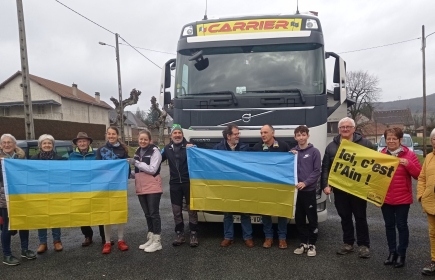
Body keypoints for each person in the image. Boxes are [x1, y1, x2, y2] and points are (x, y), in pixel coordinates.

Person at [321, 117, 373, 258]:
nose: (345, 129)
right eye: (342, 127)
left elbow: (375, 165)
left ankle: (363, 245)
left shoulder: (366, 144)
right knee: (345, 217)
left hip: (358, 190)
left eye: (348, 127)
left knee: (360, 217)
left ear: (354, 129)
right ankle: (348, 243)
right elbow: (326, 167)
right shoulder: (331, 147)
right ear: (339, 129)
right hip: (340, 190)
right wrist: (326, 184)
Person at [379, 127, 421, 268]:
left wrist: (409, 165)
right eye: (388, 139)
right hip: (385, 198)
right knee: (389, 226)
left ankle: (401, 254)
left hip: (402, 198)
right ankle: (392, 252)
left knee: (402, 226)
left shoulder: (409, 155)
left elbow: (418, 175)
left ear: (400, 140)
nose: (391, 141)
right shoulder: (381, 154)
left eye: (394, 138)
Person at [214, 124, 254, 248]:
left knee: (245, 212)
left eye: (238, 133)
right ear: (228, 136)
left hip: (242, 184)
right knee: (227, 213)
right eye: (236, 134)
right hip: (226, 185)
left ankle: (248, 237)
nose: (238, 136)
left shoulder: (244, 147)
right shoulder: (218, 148)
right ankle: (228, 237)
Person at [252, 124, 290, 249]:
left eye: (265, 132)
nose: (263, 135)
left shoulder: (284, 146)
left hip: (280, 186)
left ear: (273, 133)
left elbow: (290, 164)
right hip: (264, 186)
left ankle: (282, 238)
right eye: (261, 132)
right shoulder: (257, 147)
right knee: (265, 211)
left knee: (281, 211)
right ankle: (268, 237)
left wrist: (293, 154)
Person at [0, 134, 36, 265]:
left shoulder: (21, 157)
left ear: (15, 145)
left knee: (23, 223)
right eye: (4, 143)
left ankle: (24, 249)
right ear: (1, 145)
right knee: (7, 226)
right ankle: (7, 254)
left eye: (9, 142)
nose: (7, 145)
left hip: (22, 195)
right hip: (5, 197)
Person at [161, 124, 199, 247]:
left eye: (179, 133)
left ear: (182, 134)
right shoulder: (167, 149)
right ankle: (180, 234)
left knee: (192, 210)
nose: (177, 135)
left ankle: (193, 234)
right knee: (176, 211)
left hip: (188, 182)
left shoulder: (189, 146)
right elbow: (156, 161)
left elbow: (199, 155)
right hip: (175, 183)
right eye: (175, 133)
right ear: (171, 135)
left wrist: (194, 147)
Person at [96, 126, 130, 254]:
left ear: (117, 135)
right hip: (105, 187)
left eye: (113, 134)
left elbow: (127, 167)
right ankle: (107, 241)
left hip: (119, 186)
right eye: (109, 134)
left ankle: (121, 240)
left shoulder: (123, 149)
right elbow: (97, 168)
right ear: (106, 135)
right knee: (107, 214)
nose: (111, 136)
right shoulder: (100, 150)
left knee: (120, 212)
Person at [69, 132, 106, 247]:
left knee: (100, 212)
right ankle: (88, 236)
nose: (82, 143)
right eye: (80, 141)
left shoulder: (96, 154)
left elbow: (103, 168)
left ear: (89, 142)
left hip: (96, 188)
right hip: (80, 189)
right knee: (82, 212)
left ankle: (105, 237)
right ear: (76, 144)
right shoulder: (71, 157)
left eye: (84, 141)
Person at [129, 130, 163, 253]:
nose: (142, 141)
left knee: (154, 213)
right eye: (141, 139)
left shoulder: (155, 152)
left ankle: (157, 241)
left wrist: (136, 163)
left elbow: (152, 169)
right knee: (147, 214)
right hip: (141, 187)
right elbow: (139, 171)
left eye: (145, 139)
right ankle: (151, 237)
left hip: (153, 186)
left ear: (150, 140)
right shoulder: (137, 151)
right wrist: (129, 173)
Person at [30, 134, 65, 254]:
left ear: (53, 145)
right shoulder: (34, 160)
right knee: (41, 217)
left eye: (49, 143)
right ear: (40, 145)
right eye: (44, 143)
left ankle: (57, 241)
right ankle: (42, 243)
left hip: (55, 192)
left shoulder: (60, 159)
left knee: (55, 217)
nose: (47, 145)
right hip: (39, 193)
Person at [291, 125, 321, 257]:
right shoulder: (292, 152)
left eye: (303, 135)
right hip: (296, 192)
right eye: (298, 135)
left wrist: (306, 183)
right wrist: (290, 157)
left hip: (308, 191)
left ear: (308, 136)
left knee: (312, 218)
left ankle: (312, 244)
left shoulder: (314, 152)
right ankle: (303, 242)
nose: (301, 137)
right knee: (299, 218)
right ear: (295, 137)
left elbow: (316, 171)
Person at [417, 128, 435, 276]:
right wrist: (421, 195)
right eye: (434, 139)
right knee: (433, 234)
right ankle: (434, 261)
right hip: (431, 202)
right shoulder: (428, 157)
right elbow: (422, 178)